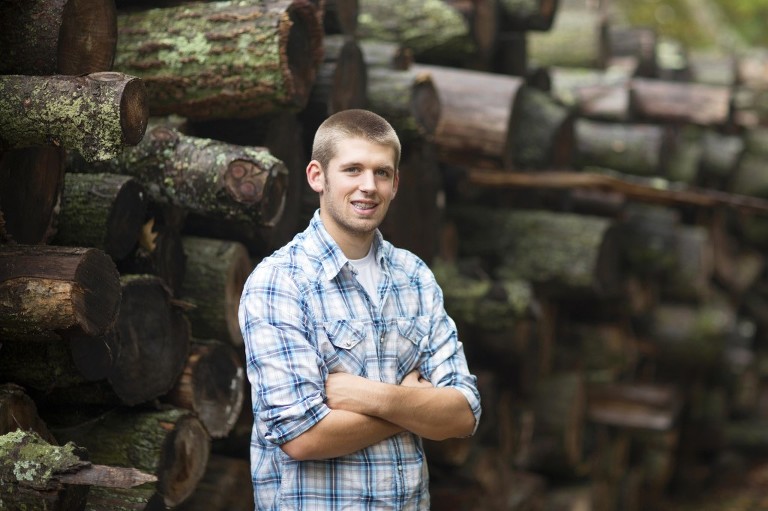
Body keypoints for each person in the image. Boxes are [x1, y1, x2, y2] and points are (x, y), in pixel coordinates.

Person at [239, 109, 481, 510]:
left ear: (396, 183)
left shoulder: (415, 277)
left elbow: (463, 413)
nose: (368, 186)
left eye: (381, 173)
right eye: (353, 169)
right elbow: (302, 437)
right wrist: (411, 405)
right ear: (317, 176)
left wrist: (368, 396)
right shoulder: (280, 282)